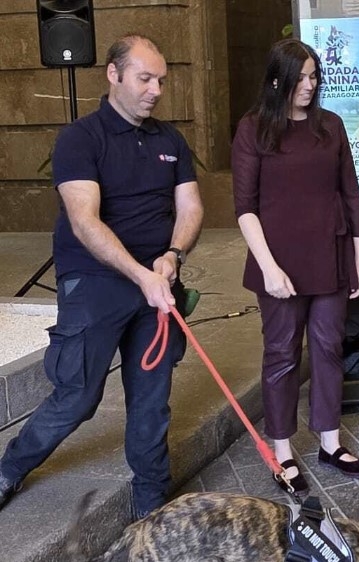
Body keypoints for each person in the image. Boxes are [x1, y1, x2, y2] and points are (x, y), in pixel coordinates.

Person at [0, 34, 204, 517]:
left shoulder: (171, 140)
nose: (155, 90)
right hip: (95, 282)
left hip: (157, 284)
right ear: (113, 75)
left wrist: (173, 256)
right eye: (144, 78)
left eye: (161, 80)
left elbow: (191, 206)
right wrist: (140, 273)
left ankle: (152, 505)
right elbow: (85, 220)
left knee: (152, 402)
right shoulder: (80, 138)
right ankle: (9, 469)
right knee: (77, 398)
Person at [231, 38, 359, 492]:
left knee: (329, 348)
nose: (310, 85)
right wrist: (268, 268)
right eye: (302, 77)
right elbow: (245, 207)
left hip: (330, 256)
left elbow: (351, 193)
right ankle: (283, 451)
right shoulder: (253, 130)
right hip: (280, 264)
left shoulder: (330, 125)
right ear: (277, 80)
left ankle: (330, 442)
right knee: (282, 355)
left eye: (314, 76)